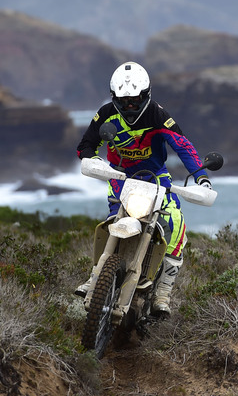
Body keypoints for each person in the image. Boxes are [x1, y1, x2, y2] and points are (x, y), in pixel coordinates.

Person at [74, 61, 211, 318]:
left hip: (156, 178)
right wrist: (93, 160)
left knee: (175, 222)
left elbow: (183, 146)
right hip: (119, 178)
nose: (129, 106)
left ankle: (163, 292)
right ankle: (96, 277)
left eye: (135, 100)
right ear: (114, 98)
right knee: (111, 221)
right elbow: (85, 145)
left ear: (146, 95)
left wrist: (201, 177)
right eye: (123, 101)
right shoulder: (105, 114)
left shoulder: (158, 116)